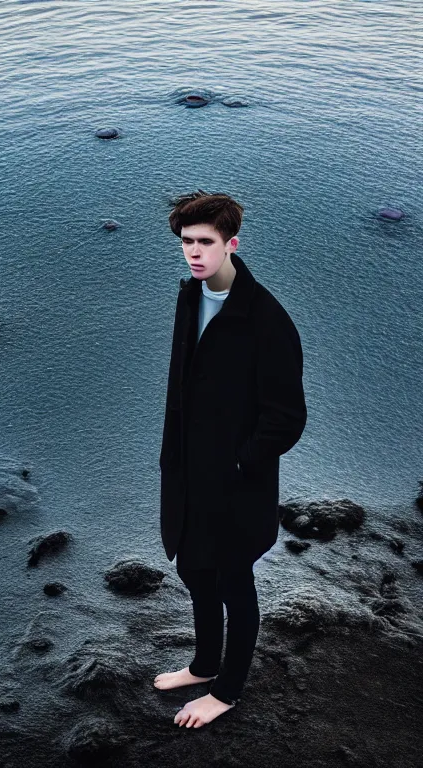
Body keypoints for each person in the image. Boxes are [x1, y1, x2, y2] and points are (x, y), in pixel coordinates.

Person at [155, 190, 307, 729]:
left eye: (205, 243)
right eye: (186, 242)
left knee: (234, 584)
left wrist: (241, 465)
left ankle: (227, 690)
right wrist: (173, 456)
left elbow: (287, 417)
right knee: (195, 570)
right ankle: (203, 665)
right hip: (188, 470)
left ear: (232, 244)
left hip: (237, 483)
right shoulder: (190, 296)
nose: (194, 253)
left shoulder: (265, 320)